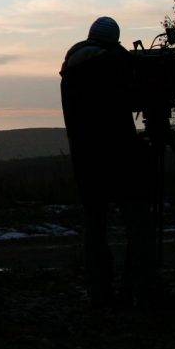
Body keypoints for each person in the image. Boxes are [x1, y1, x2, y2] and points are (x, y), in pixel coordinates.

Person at [60, 16, 156, 309]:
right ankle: (143, 290)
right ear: (113, 40)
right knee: (138, 221)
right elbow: (133, 95)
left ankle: (100, 293)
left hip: (86, 158)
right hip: (121, 155)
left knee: (95, 226)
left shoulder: (72, 68)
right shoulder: (113, 63)